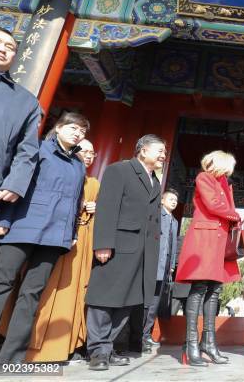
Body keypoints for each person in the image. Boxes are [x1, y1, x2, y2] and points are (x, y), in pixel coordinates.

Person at [0, 112, 88, 363]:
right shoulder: (38, 149)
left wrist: (72, 233)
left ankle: (10, 359)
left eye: (82, 131)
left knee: (31, 294)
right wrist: (4, 219)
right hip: (23, 226)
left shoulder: (79, 164)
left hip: (55, 237)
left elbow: (77, 201)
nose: (77, 133)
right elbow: (18, 184)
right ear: (58, 128)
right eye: (73, 127)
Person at [85, 134, 165, 371]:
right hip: (119, 244)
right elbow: (107, 208)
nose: (163, 155)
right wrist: (103, 243)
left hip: (143, 250)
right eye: (159, 150)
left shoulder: (155, 181)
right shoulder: (118, 170)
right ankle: (97, 351)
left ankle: (108, 348)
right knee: (105, 297)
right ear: (142, 150)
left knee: (129, 300)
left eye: (164, 151)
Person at [25, 139, 99, 362]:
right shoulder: (54, 173)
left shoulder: (94, 184)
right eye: (83, 150)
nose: (88, 155)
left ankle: (65, 346)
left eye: (92, 153)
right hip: (53, 237)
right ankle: (31, 345)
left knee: (74, 291)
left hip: (81, 242)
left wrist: (96, 209)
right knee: (42, 290)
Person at [175, 151, 242, 367]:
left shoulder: (225, 183)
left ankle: (209, 343)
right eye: (228, 166)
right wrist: (236, 216)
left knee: (215, 290)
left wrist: (233, 217)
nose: (230, 171)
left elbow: (223, 207)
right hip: (205, 238)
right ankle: (191, 343)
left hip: (220, 240)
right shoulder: (204, 177)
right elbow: (214, 205)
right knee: (200, 288)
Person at [0, 25, 41, 221]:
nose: (3, 49)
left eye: (10, 47)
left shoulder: (26, 101)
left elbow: (27, 150)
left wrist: (15, 183)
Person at [142, 188, 180, 349]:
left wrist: (172, 266)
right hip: (153, 264)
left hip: (165, 267)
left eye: (176, 200)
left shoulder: (175, 221)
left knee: (155, 303)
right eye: (170, 199)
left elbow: (173, 245)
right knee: (146, 301)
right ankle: (140, 335)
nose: (174, 202)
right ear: (162, 200)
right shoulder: (157, 215)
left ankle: (146, 335)